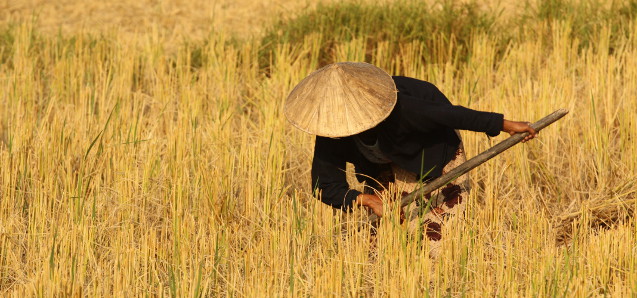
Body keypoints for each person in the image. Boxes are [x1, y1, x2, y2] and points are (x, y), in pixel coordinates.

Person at [284, 62, 536, 243]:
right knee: (389, 231)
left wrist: (506, 125)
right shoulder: (332, 129)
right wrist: (367, 199)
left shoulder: (403, 107)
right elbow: (323, 184)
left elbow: (452, 115)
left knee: (437, 228)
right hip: (379, 161)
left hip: (429, 147)